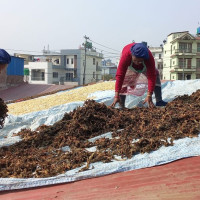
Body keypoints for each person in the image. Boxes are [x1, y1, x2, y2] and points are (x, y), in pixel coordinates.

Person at [111, 42, 167, 108]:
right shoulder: (126, 56)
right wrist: (116, 96)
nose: (137, 63)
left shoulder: (149, 57)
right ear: (131, 55)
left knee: (156, 74)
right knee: (125, 81)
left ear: (144, 58)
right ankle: (121, 104)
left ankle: (159, 101)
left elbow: (151, 76)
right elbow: (120, 75)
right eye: (135, 60)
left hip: (143, 67)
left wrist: (149, 95)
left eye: (140, 61)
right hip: (130, 67)